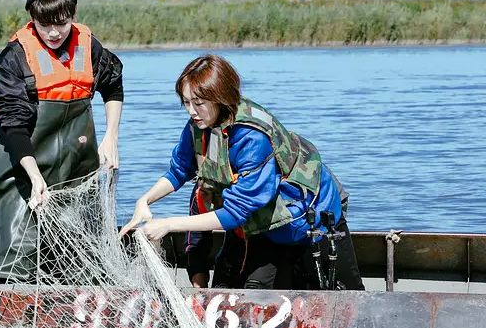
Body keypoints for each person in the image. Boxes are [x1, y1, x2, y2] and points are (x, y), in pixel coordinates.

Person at [121, 54, 363, 291]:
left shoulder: (252, 137)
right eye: (186, 102)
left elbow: (235, 213)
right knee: (237, 287)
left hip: (310, 216)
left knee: (340, 296)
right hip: (261, 220)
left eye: (199, 103)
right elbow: (180, 170)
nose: (191, 112)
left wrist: (168, 225)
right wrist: (145, 200)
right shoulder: (200, 125)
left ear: (221, 98)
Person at [0, 0, 124, 282]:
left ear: (72, 14)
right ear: (33, 20)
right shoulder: (15, 57)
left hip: (75, 164)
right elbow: (13, 125)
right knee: (18, 252)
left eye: (62, 22)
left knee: (80, 253)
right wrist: (34, 176)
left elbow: (113, 85)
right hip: (21, 162)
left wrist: (111, 137)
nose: (55, 32)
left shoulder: (88, 45)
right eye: (45, 25)